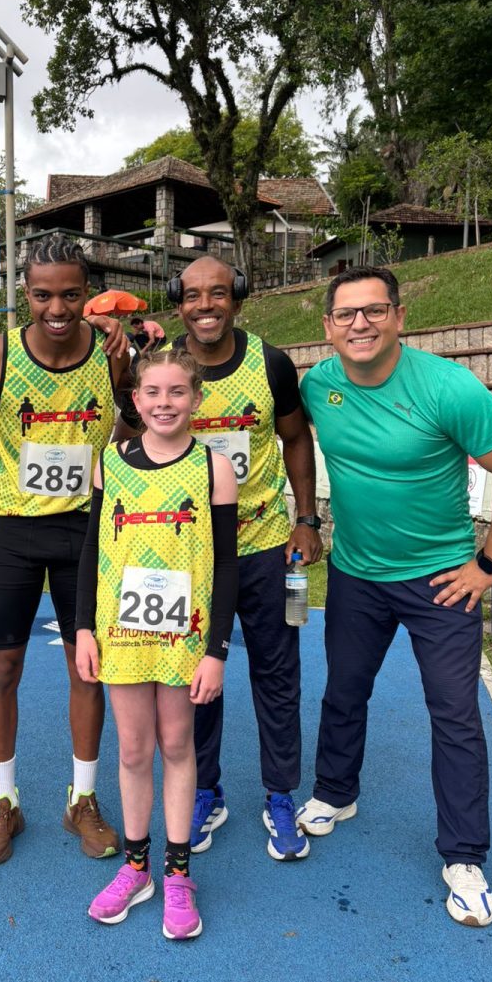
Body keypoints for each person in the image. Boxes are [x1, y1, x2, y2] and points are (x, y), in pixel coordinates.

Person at [297, 266, 492, 927]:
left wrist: (489, 563)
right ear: (327, 328)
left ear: (399, 317)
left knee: (455, 714)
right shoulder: (319, 386)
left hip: (441, 580)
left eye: (374, 311)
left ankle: (463, 856)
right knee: (344, 690)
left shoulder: (446, 387)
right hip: (356, 575)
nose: (360, 324)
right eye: (346, 314)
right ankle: (334, 792)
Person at [0, 233, 136, 865]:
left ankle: (83, 799)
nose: (57, 308)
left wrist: (132, 358)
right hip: (14, 533)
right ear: (23, 294)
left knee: (89, 667)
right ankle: (6, 802)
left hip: (85, 532)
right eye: (42, 295)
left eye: (71, 294)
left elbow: (135, 424)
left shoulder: (112, 355)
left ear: (88, 294)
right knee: (3, 667)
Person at [76, 350, 239, 938]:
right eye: (152, 392)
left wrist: (217, 649)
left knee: (177, 744)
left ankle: (177, 873)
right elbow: (91, 550)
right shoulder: (109, 461)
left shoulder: (213, 468)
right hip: (121, 632)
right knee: (131, 750)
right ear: (135, 399)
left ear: (196, 399)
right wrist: (84, 629)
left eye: (177, 392)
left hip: (183, 635)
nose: (164, 402)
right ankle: (137, 868)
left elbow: (226, 564)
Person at [169, 256, 322, 861]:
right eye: (192, 296)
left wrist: (306, 519)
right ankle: (205, 790)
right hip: (189, 555)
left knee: (276, 675)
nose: (205, 306)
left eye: (217, 294)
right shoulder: (168, 368)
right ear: (179, 304)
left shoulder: (270, 363)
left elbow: (294, 438)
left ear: (236, 298)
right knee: (195, 682)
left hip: (262, 548)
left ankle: (280, 796)